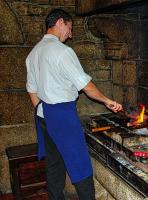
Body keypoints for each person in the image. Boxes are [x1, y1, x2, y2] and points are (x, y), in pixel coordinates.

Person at [25, 9, 123, 200]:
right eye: (70, 28)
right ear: (60, 22)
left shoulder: (33, 53)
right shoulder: (63, 52)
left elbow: (31, 90)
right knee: (79, 164)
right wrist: (107, 101)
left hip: (44, 114)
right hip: (62, 115)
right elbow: (86, 86)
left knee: (54, 164)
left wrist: (42, 110)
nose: (70, 35)